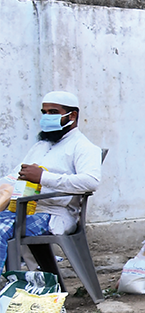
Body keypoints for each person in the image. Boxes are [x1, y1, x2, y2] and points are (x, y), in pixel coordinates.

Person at [1, 91, 102, 265]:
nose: (47, 117)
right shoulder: (41, 146)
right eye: (44, 112)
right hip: (24, 210)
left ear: (73, 115)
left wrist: (43, 177)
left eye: (53, 112)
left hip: (53, 214)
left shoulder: (83, 147)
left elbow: (91, 181)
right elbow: (14, 176)